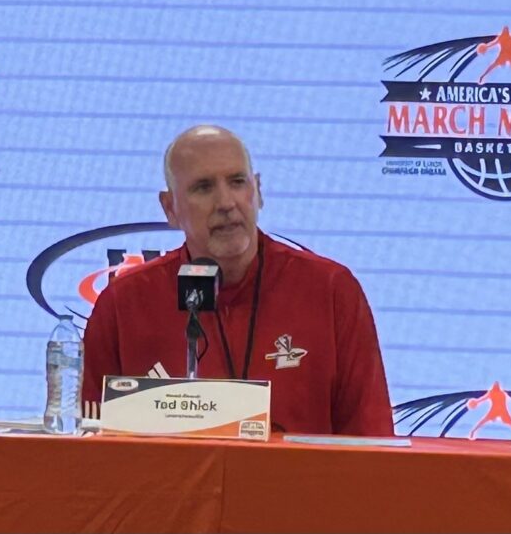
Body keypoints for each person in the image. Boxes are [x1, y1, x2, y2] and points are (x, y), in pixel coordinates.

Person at [79, 125, 393, 436]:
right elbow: (88, 443)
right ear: (170, 207)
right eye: (203, 187)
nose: (226, 203)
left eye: (237, 182)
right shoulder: (123, 304)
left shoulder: (330, 290)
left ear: (258, 191)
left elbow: (372, 441)